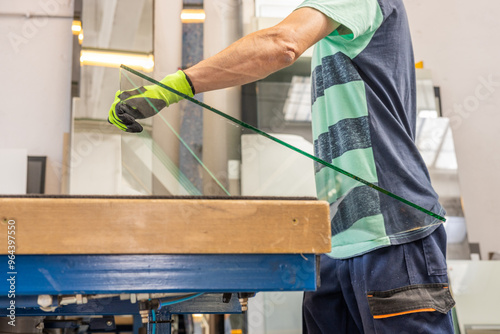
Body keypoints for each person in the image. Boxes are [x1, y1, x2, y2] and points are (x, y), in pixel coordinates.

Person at [108, 0, 456, 332]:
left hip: (393, 231)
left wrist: (177, 85)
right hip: (337, 241)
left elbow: (282, 43)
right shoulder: (335, 29)